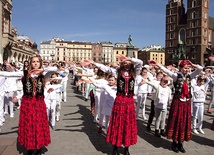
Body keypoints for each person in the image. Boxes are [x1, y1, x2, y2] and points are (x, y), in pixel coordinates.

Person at [85, 55, 142, 155]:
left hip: (129, 101)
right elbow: (106, 69)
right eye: (125, 63)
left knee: (127, 124)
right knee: (117, 123)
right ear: (122, 65)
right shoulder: (117, 72)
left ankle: (126, 148)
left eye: (128, 63)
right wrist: (94, 63)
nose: (127, 64)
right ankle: (115, 146)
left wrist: (128, 58)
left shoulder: (134, 73)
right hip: (119, 100)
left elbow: (140, 62)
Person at [149, 59, 203, 153]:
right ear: (180, 68)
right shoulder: (176, 76)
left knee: (184, 122)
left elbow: (200, 69)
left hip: (186, 102)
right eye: (185, 68)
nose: (186, 70)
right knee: (176, 121)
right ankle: (174, 142)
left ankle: (181, 143)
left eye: (188, 68)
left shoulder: (190, 76)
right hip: (178, 102)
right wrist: (158, 65)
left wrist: (192, 64)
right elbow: (166, 71)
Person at [16, 55, 51, 155]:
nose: (35, 63)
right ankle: (30, 147)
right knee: (29, 124)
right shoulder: (25, 73)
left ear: (40, 63)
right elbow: (9, 74)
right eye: (33, 62)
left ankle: (39, 146)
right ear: (30, 64)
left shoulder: (43, 74)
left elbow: (55, 68)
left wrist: (41, 70)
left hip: (39, 103)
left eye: (37, 62)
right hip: (28, 103)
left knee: (39, 124)